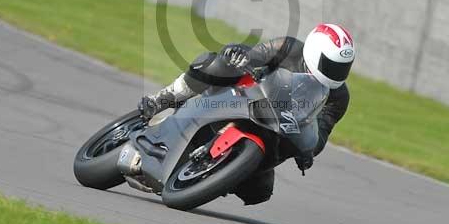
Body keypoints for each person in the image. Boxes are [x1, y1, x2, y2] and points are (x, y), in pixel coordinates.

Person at [138, 23, 355, 205]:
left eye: (342, 68)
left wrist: (308, 151)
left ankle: (211, 177)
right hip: (246, 98)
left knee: (259, 192)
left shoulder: (339, 97)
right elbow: (255, 55)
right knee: (215, 64)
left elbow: (322, 131)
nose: (335, 73)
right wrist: (240, 55)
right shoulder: (288, 48)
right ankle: (162, 99)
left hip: (277, 130)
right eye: (331, 64)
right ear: (315, 51)